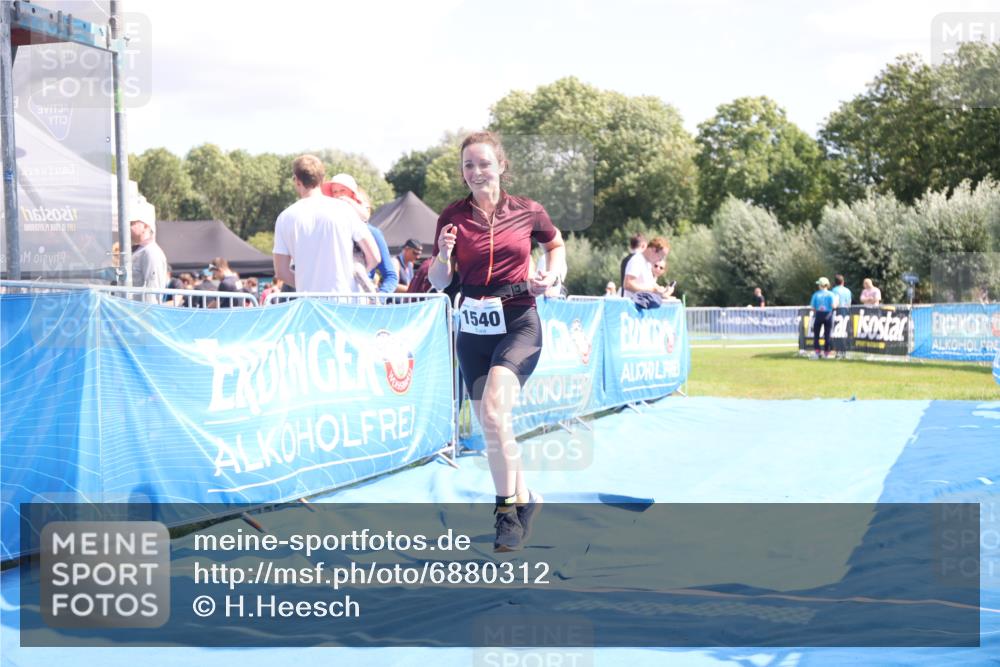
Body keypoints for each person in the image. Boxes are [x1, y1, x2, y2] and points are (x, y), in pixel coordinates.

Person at [428, 131, 566, 553]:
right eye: (468, 165)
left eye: (483, 163)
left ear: (501, 166)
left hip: (519, 320)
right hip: (471, 328)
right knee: (494, 424)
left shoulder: (527, 211)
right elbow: (439, 282)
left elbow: (555, 244)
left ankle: (506, 514)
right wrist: (443, 253)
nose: (475, 172)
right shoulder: (451, 216)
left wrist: (551, 275)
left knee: (492, 411)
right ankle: (527, 501)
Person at [272, 156, 380, 293]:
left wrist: (307, 287)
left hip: (309, 304)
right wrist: (351, 280)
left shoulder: (284, 218)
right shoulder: (344, 209)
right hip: (345, 301)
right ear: (322, 180)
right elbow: (375, 257)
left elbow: (281, 272)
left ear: (297, 181)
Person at [323, 174, 399, 294]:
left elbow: (391, 277)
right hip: (334, 299)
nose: (338, 195)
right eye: (335, 192)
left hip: (361, 300)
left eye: (343, 191)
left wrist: (378, 299)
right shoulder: (327, 229)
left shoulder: (372, 232)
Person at [129, 198, 168, 303]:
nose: (128, 226)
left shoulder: (151, 253)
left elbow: (152, 290)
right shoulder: (141, 251)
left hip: (141, 314)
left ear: (145, 226)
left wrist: (147, 315)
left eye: (132, 223)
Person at [810, 277, 836, 359]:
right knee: (827, 335)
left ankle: (817, 352)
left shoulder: (816, 294)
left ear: (820, 285)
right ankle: (826, 353)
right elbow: (833, 306)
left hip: (818, 314)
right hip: (828, 315)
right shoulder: (831, 294)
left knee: (816, 335)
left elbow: (813, 308)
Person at [830, 274, 852, 358]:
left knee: (837, 331)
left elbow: (834, 302)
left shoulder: (834, 290)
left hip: (837, 311)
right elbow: (849, 303)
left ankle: (838, 352)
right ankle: (844, 351)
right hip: (846, 311)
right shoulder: (848, 290)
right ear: (843, 282)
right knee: (845, 331)